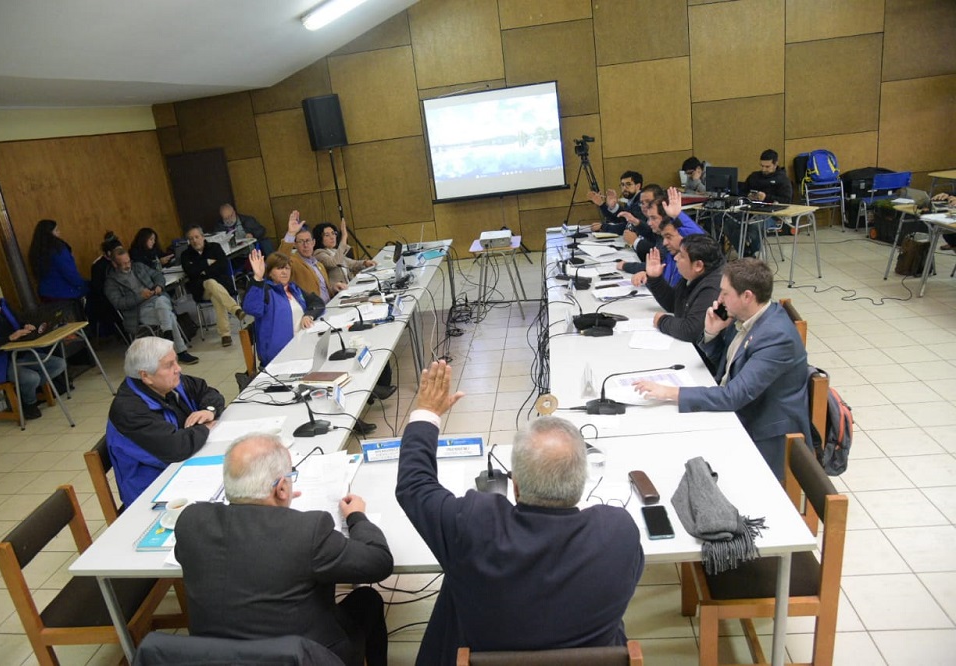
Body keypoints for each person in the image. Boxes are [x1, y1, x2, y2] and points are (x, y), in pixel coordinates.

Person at [396, 361, 644, 664]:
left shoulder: (474, 525)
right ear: (581, 483)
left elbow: (414, 486)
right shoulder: (619, 534)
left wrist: (427, 413)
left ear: (513, 486)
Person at [174, 433, 392, 666]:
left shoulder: (191, 522)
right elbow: (378, 562)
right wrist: (357, 516)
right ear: (281, 489)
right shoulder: (309, 530)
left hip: (217, 658)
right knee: (367, 599)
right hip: (306, 658)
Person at [634, 259, 811, 479]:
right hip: (742, 412)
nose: (719, 299)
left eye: (725, 293)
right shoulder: (748, 316)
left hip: (763, 433)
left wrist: (670, 392)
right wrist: (712, 332)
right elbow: (727, 366)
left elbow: (733, 396)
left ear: (747, 296)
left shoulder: (776, 337)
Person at [106, 337, 224, 506]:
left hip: (183, 471)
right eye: (169, 365)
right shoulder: (129, 411)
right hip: (152, 494)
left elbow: (208, 392)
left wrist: (209, 410)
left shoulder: (169, 382)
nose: (178, 369)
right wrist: (205, 428)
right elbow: (176, 447)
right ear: (145, 376)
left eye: (176, 361)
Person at [0, 279, 68, 420]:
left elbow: (17, 322)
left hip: (19, 354)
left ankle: (23, 394)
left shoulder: (3, 305)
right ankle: (29, 403)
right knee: (30, 378)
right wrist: (9, 338)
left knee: (58, 364)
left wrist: (25, 327)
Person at [104, 248, 198, 364]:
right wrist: (140, 296)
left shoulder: (138, 266)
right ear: (114, 264)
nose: (128, 265)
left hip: (157, 299)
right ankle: (180, 351)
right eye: (123, 264)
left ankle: (168, 338)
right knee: (169, 316)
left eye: (128, 262)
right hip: (138, 311)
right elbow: (119, 303)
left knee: (162, 303)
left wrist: (159, 285)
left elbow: (158, 275)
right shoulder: (111, 282)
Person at [242, 249, 324, 367]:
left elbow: (317, 302)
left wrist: (309, 314)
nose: (284, 272)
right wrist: (258, 279)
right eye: (279, 268)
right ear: (270, 272)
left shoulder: (293, 288)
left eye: (287, 268)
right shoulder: (265, 291)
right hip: (280, 357)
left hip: (302, 348)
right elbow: (251, 308)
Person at [645, 233, 725, 342]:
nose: (675, 258)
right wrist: (655, 278)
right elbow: (674, 304)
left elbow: (691, 330)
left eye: (681, 255)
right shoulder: (693, 276)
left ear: (698, 265)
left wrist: (662, 321)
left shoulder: (713, 287)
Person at [619, 186, 706, 287]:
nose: (649, 223)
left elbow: (698, 237)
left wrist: (677, 215)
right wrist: (651, 277)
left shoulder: (684, 242)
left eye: (653, 218)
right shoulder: (671, 250)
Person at [180, 226, 246, 347]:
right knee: (210, 283)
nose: (194, 241)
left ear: (203, 237)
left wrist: (204, 272)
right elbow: (191, 272)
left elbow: (223, 265)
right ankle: (235, 309)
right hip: (201, 290)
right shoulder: (185, 255)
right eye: (191, 239)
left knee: (215, 293)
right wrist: (207, 263)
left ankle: (225, 335)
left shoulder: (214, 247)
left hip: (221, 286)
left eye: (197, 237)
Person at [729, 149, 794, 257]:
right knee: (729, 223)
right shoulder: (754, 176)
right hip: (750, 209)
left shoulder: (782, 179)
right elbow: (742, 192)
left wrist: (766, 197)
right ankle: (746, 254)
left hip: (771, 214)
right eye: (762, 166)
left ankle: (752, 252)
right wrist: (748, 196)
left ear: (775, 164)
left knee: (755, 226)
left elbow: (786, 200)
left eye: (767, 166)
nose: (764, 169)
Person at [279, 211, 348, 301]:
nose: (305, 245)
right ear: (294, 245)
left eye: (308, 241)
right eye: (301, 242)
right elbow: (280, 260)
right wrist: (291, 234)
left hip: (329, 306)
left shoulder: (319, 265)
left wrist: (333, 288)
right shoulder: (294, 262)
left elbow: (322, 292)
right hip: (313, 311)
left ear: (313, 242)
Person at [28, 218, 88, 302]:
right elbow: (70, 273)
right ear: (49, 233)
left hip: (45, 294)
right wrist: (83, 285)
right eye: (56, 230)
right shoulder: (58, 249)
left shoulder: (36, 251)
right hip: (65, 294)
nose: (59, 233)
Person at [312, 219, 376, 284]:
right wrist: (344, 236)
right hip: (338, 291)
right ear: (319, 238)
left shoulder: (334, 251)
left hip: (349, 285)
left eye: (333, 233)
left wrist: (365, 263)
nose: (332, 237)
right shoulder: (319, 254)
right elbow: (334, 262)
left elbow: (351, 263)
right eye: (327, 235)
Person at [88, 231, 125, 338]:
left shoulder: (122, 259)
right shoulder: (98, 266)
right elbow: (100, 289)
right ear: (109, 253)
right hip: (108, 300)